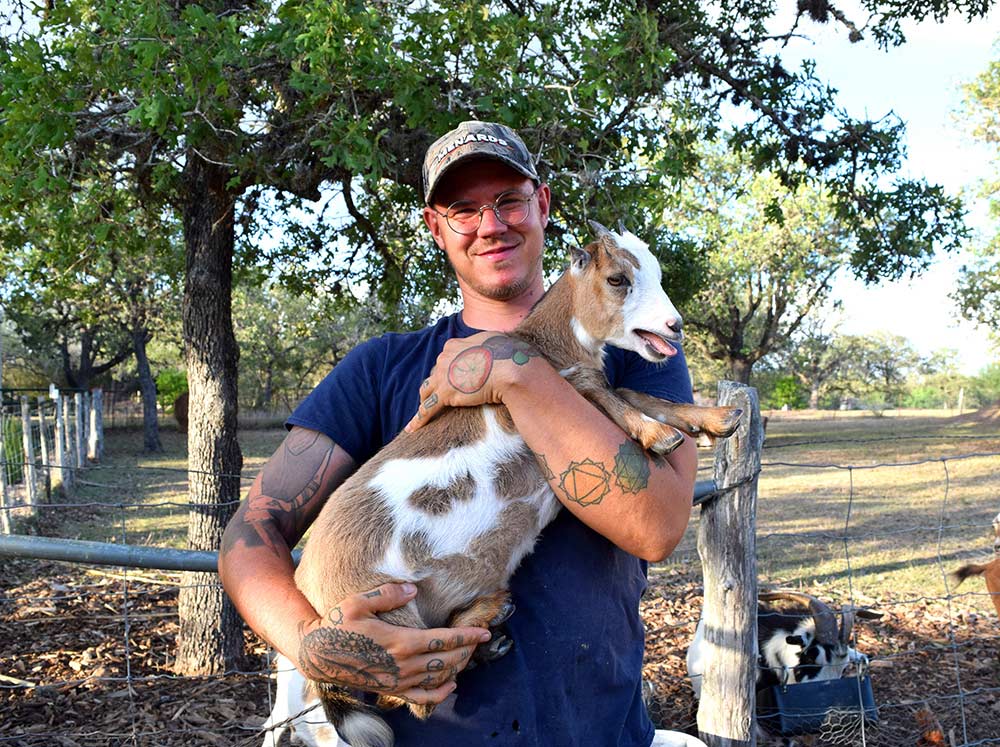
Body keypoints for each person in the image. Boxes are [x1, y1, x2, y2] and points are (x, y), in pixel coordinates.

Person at [219, 121, 698, 746]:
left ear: (542, 205)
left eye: (508, 200)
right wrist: (315, 647)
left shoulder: (627, 355)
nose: (490, 224)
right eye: (463, 209)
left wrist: (513, 368)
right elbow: (251, 532)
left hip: (592, 731)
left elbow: (656, 526)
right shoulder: (382, 369)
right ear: (435, 226)